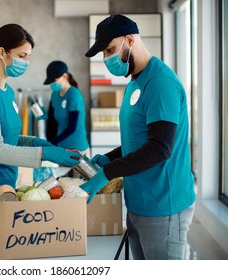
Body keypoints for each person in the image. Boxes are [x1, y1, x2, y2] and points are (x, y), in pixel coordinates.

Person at [80, 14, 196, 260]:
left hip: (163, 206)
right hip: (138, 202)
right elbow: (140, 139)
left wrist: (107, 173)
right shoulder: (134, 81)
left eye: (109, 49)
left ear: (130, 40)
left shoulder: (160, 83)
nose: (106, 58)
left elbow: (159, 148)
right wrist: (110, 159)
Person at [0, 23, 81, 256]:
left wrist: (36, 142)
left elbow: (9, 137)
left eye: (29, 57)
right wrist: (44, 155)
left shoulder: (6, 91)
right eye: (21, 56)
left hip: (5, 188)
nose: (26, 62)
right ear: (1, 52)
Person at [42, 60, 90, 156]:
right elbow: (56, 120)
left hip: (78, 149)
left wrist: (52, 142)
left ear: (64, 76)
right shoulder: (54, 95)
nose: (52, 84)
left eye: (54, 81)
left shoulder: (74, 94)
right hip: (61, 148)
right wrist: (45, 116)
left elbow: (72, 127)